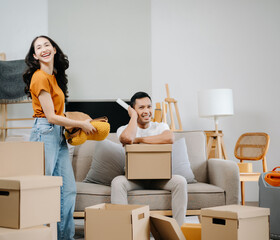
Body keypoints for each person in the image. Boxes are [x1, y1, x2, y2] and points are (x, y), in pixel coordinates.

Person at [23, 35, 96, 240]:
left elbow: (59, 115)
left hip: (57, 134)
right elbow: (51, 117)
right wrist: (81, 124)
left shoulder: (54, 77)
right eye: (39, 47)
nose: (44, 48)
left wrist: (78, 123)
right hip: (44, 132)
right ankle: (38, 235)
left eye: (47, 44)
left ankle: (65, 237)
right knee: (43, 189)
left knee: (68, 189)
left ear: (54, 49)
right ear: (35, 56)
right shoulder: (39, 77)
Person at [111, 91, 187, 226]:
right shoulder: (123, 129)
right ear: (132, 110)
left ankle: (178, 230)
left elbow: (169, 138)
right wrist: (133, 117)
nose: (147, 111)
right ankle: (122, 232)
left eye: (149, 106)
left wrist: (139, 140)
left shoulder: (160, 126)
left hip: (159, 179)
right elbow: (127, 138)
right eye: (141, 108)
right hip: (133, 179)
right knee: (117, 182)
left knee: (180, 181)